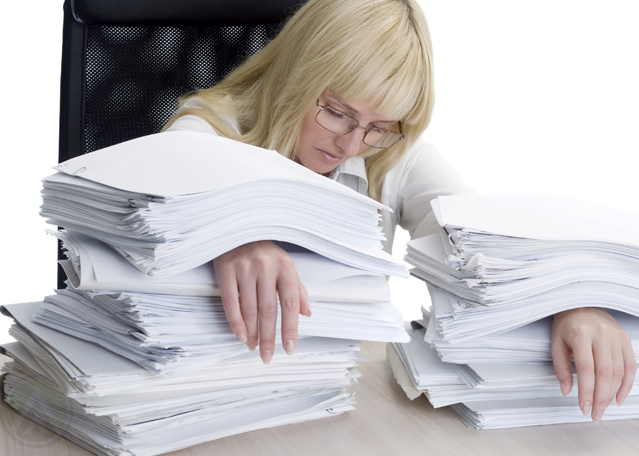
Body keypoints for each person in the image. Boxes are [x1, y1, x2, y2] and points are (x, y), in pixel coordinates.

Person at [163, 0, 635, 423]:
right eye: (337, 111)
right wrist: (234, 233)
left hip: (327, 395)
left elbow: (481, 240)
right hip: (204, 395)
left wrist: (572, 303)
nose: (350, 143)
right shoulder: (207, 129)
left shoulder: (386, 152)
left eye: (378, 125)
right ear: (296, 73)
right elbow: (172, 172)